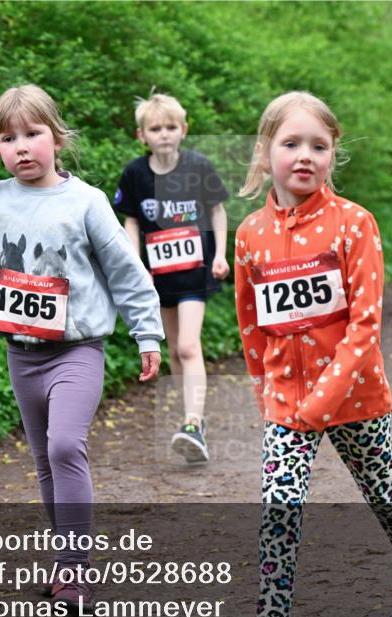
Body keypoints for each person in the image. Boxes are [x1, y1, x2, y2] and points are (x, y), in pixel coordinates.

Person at [0, 84, 164, 613]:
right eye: (8, 139)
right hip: (22, 355)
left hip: (77, 350)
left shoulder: (86, 201)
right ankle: (65, 563)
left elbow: (126, 270)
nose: (22, 147)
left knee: (65, 447)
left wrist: (147, 332)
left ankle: (74, 572)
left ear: (57, 138)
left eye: (33, 134)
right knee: (46, 464)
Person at [230, 91, 392, 617]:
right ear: (265, 152)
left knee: (383, 491)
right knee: (279, 507)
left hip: (354, 396)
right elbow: (250, 322)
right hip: (286, 402)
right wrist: (265, 390)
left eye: (318, 146)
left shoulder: (354, 224)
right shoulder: (249, 234)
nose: (305, 155)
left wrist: (322, 400)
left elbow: (365, 324)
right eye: (291, 143)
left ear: (332, 156)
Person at [113, 93, 230, 464]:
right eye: (155, 128)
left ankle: (193, 423)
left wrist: (221, 254)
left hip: (194, 272)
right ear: (141, 135)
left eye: (170, 127)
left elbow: (217, 211)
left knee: (188, 347)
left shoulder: (198, 167)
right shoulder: (135, 173)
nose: (163, 134)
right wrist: (136, 264)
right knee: (176, 351)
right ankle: (192, 419)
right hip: (158, 277)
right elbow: (131, 221)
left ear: (184, 129)